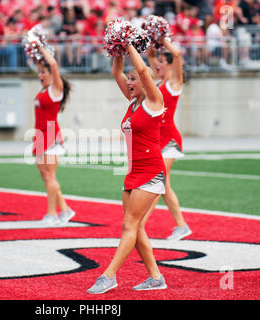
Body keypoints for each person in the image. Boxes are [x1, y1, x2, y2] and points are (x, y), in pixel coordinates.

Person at [87, 43, 167, 294]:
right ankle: (156, 277)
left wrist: (131, 43)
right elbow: (116, 73)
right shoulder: (133, 102)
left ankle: (109, 275)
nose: (128, 82)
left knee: (129, 226)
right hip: (133, 172)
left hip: (151, 172)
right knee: (135, 227)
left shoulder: (154, 100)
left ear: (144, 82)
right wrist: (117, 47)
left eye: (133, 79)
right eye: (128, 80)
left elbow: (143, 70)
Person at [146, 37, 192, 241]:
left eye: (162, 62)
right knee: (164, 185)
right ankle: (181, 226)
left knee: (157, 181)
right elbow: (148, 56)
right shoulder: (158, 82)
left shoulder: (174, 83)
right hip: (157, 140)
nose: (157, 64)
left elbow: (179, 54)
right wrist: (151, 41)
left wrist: (163, 39)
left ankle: (139, 224)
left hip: (170, 141)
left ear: (170, 65)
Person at [32, 42, 75, 226]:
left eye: (44, 72)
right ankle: (65, 210)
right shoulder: (43, 90)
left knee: (50, 177)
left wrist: (41, 47)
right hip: (40, 136)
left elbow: (54, 65)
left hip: (51, 136)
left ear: (52, 75)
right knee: (45, 176)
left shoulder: (55, 90)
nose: (40, 75)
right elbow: (43, 65)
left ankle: (52, 214)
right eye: (40, 72)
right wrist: (35, 54)